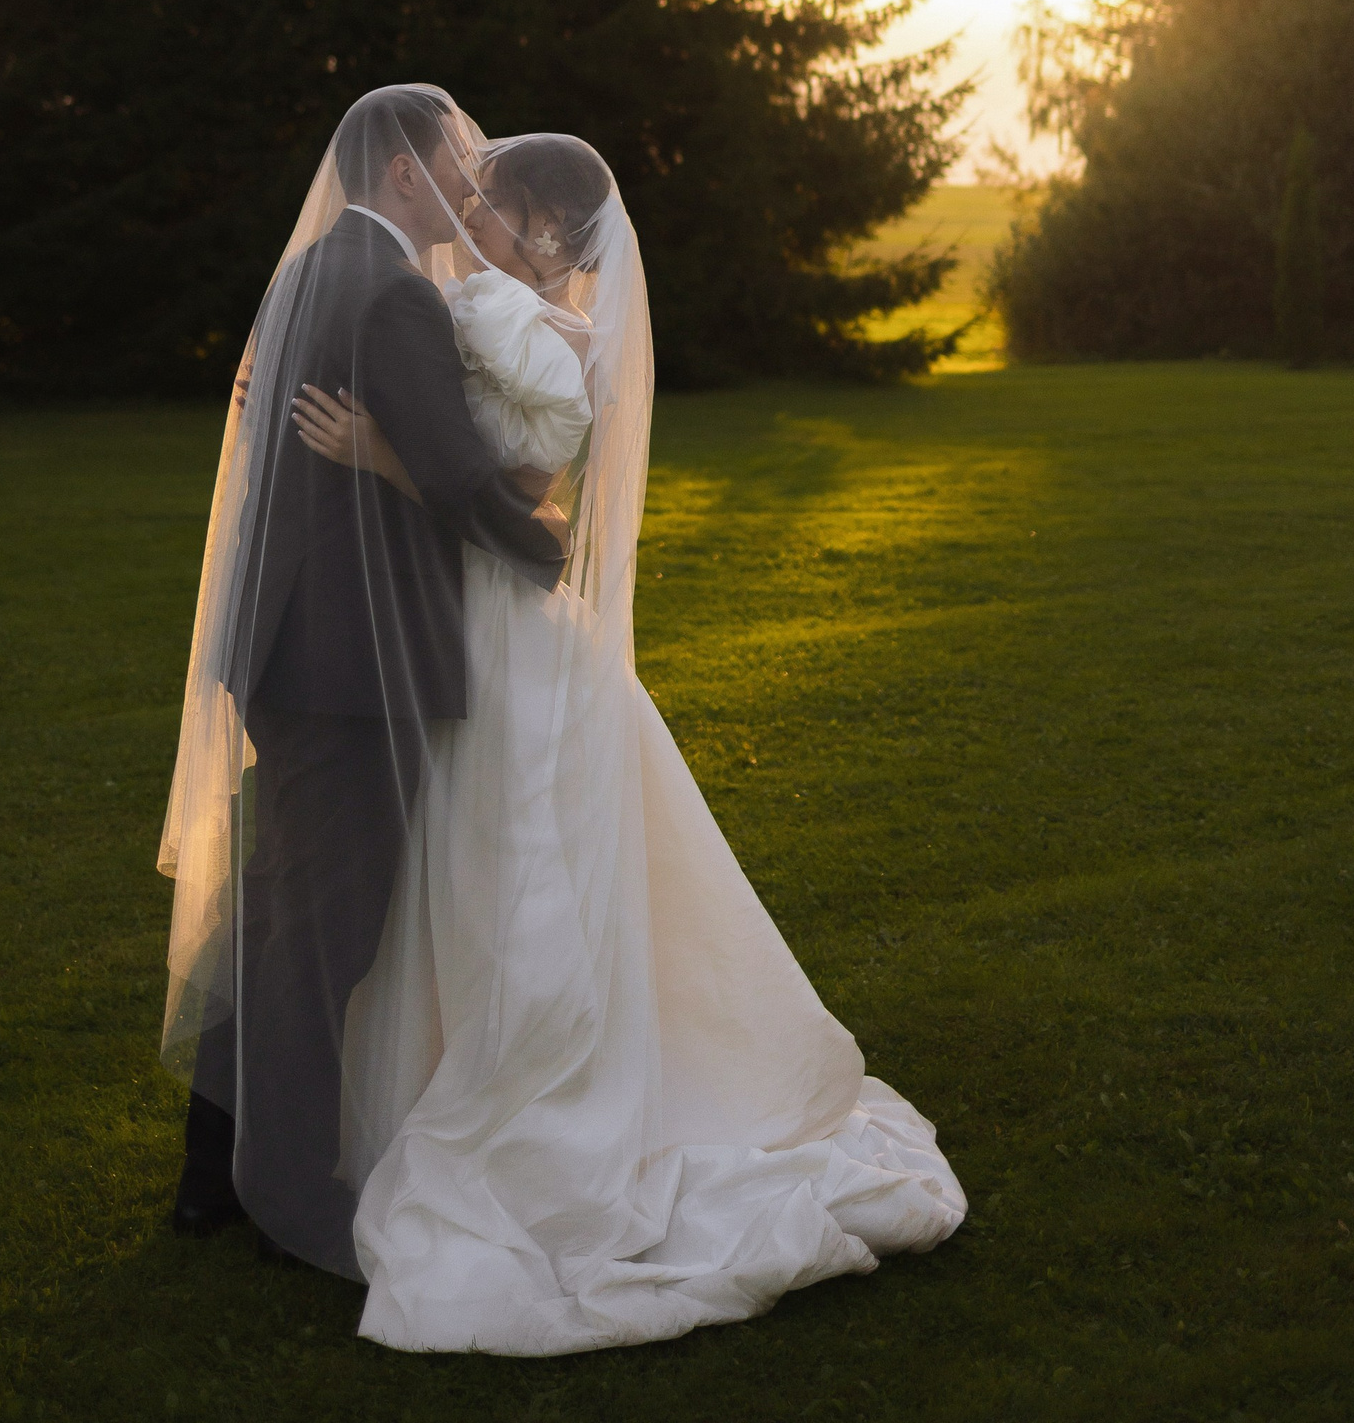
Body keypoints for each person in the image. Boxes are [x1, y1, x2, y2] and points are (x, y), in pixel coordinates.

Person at [286, 128, 966, 1354]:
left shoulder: (531, 330)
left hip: (501, 629)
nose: (470, 207)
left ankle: (532, 1103)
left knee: (510, 868)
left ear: (549, 233)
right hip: (472, 623)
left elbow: (507, 502)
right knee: (461, 867)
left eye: (493, 199)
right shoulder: (489, 309)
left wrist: (382, 454)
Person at [157, 86, 566, 1273]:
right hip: (350, 668)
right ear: (400, 173)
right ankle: (287, 1192)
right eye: (456, 164)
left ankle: (211, 1175)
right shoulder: (392, 293)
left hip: (292, 645)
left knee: (275, 921)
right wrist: (548, 546)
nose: (471, 185)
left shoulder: (308, 272)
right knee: (322, 941)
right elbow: (456, 477)